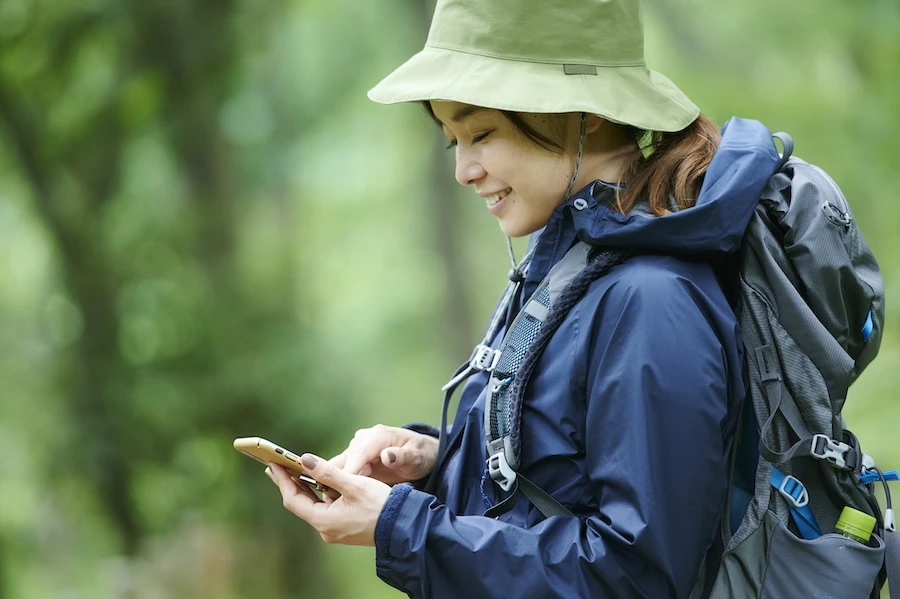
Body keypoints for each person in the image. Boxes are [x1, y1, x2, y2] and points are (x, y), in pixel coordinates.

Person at [264, 0, 781, 596]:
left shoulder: (650, 302)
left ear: (581, 114)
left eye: (481, 133)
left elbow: (633, 576)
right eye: (451, 139)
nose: (464, 169)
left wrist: (401, 529)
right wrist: (437, 464)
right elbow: (560, 492)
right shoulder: (577, 269)